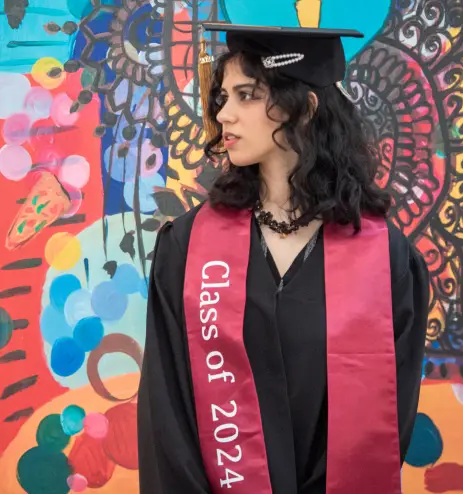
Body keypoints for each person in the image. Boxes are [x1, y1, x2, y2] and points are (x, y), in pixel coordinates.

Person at [137, 21, 430, 494]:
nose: (224, 114)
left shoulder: (386, 260)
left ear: (304, 108)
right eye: (224, 97)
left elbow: (386, 424)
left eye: (247, 95)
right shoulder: (187, 248)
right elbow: (165, 417)